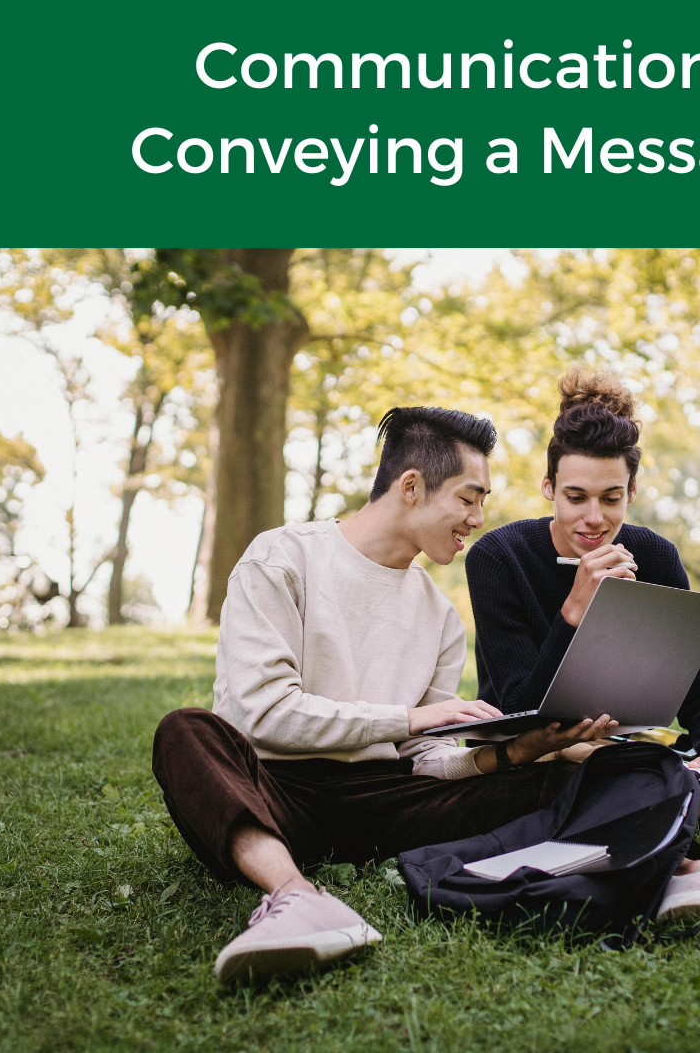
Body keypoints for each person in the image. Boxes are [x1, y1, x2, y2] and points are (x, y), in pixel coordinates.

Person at [151, 406, 618, 983]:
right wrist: (410, 718)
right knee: (187, 732)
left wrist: (514, 753)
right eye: (468, 498)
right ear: (412, 486)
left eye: (483, 503)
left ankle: (666, 866)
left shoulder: (440, 617)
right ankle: (297, 898)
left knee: (560, 775)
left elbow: (423, 762)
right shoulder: (281, 559)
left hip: (386, 799)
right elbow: (262, 713)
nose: (477, 519)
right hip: (274, 787)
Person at [465, 367, 700, 823]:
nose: (594, 518)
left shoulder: (655, 557)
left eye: (611, 498)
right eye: (576, 497)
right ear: (549, 488)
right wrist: (574, 610)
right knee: (600, 771)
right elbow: (518, 709)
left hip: (633, 743)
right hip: (542, 752)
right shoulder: (499, 557)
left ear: (631, 491)